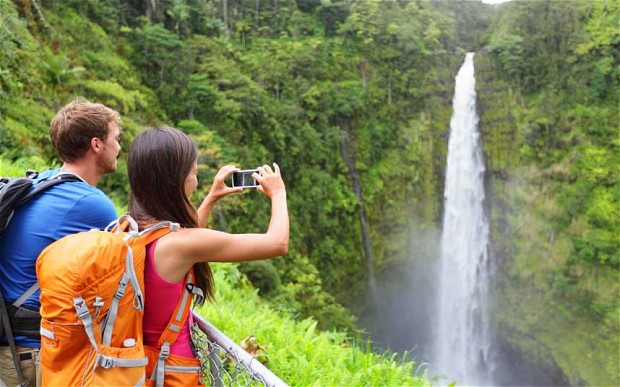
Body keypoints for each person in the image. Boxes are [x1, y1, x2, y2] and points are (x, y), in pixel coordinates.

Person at [126, 126, 288, 384]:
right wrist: (278, 194)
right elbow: (277, 243)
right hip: (171, 372)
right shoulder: (181, 245)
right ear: (177, 181)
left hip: (137, 367)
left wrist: (211, 198)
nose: (196, 180)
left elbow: (184, 243)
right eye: (194, 173)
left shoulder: (130, 228)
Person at [0, 99, 121, 386]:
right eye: (116, 139)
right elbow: (128, 271)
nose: (119, 147)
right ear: (96, 144)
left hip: (10, 346)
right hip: (34, 355)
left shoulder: (41, 182)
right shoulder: (93, 205)